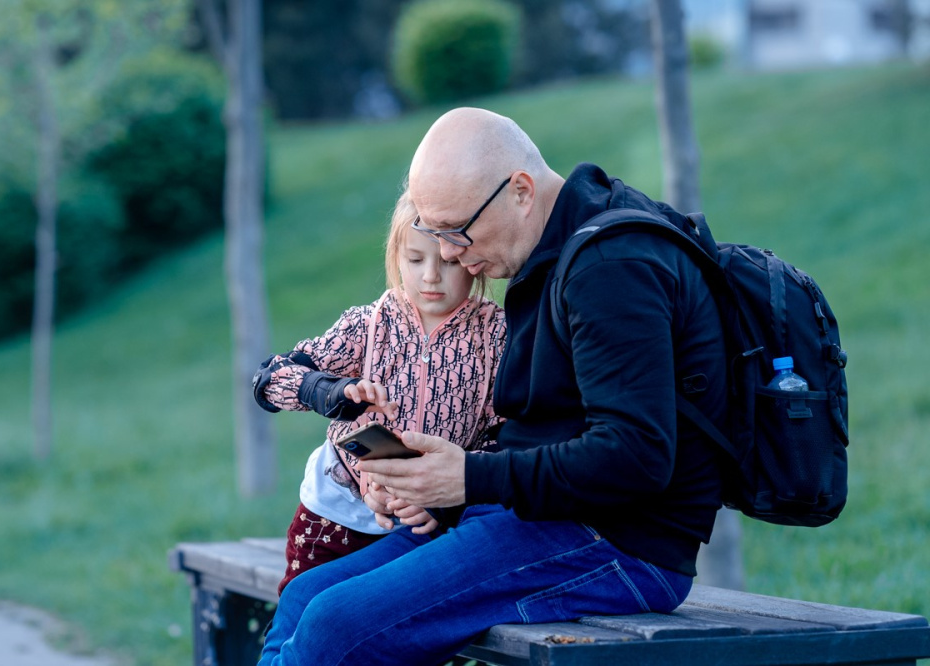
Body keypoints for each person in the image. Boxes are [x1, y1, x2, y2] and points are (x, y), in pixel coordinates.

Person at [258, 107, 729, 666]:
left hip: (618, 542)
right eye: (432, 235)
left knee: (334, 629)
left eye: (457, 231)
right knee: (306, 598)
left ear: (521, 192)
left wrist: (466, 475)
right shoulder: (555, 246)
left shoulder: (609, 266)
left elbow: (637, 457)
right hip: (536, 516)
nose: (450, 255)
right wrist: (430, 485)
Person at [252, 189, 506, 595]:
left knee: (386, 641)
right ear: (396, 257)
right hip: (334, 517)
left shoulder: (495, 336)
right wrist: (334, 391)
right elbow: (271, 380)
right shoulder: (367, 326)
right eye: (415, 259)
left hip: (427, 523)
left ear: (470, 260)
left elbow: (504, 434)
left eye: (445, 261)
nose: (430, 276)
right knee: (302, 621)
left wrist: (445, 500)